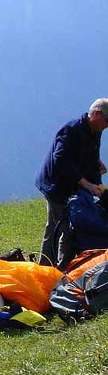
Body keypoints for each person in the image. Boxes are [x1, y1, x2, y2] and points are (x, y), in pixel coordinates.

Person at [35, 98, 108, 268]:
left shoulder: (95, 131)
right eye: (107, 121)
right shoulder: (71, 130)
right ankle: (48, 267)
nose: (107, 126)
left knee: (69, 228)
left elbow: (90, 157)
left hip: (73, 185)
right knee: (58, 227)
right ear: (96, 114)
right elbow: (60, 159)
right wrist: (85, 183)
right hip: (56, 185)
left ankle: (63, 266)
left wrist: (98, 184)